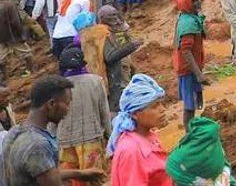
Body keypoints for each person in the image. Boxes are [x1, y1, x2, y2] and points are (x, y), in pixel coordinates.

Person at [2, 77, 106, 186]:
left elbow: (42, 172)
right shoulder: (37, 144)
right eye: (66, 103)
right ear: (51, 104)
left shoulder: (14, 132)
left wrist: (79, 173)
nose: (68, 109)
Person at [54, 49, 110, 186]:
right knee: (95, 179)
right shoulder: (96, 81)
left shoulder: (56, 87)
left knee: (71, 181)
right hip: (91, 139)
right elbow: (104, 112)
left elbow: (52, 119)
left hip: (64, 142)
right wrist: (109, 134)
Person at [107, 75, 168, 186]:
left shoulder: (149, 135)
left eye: (161, 103)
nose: (162, 109)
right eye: (155, 106)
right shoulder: (131, 151)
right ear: (135, 113)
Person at [170, 0, 207, 128]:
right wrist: (198, 74)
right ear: (188, 5)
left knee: (192, 101)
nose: (200, 2)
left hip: (190, 67)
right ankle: (188, 132)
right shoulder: (187, 24)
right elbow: (186, 51)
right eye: (196, 1)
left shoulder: (189, 17)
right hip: (188, 69)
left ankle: (190, 129)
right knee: (189, 104)